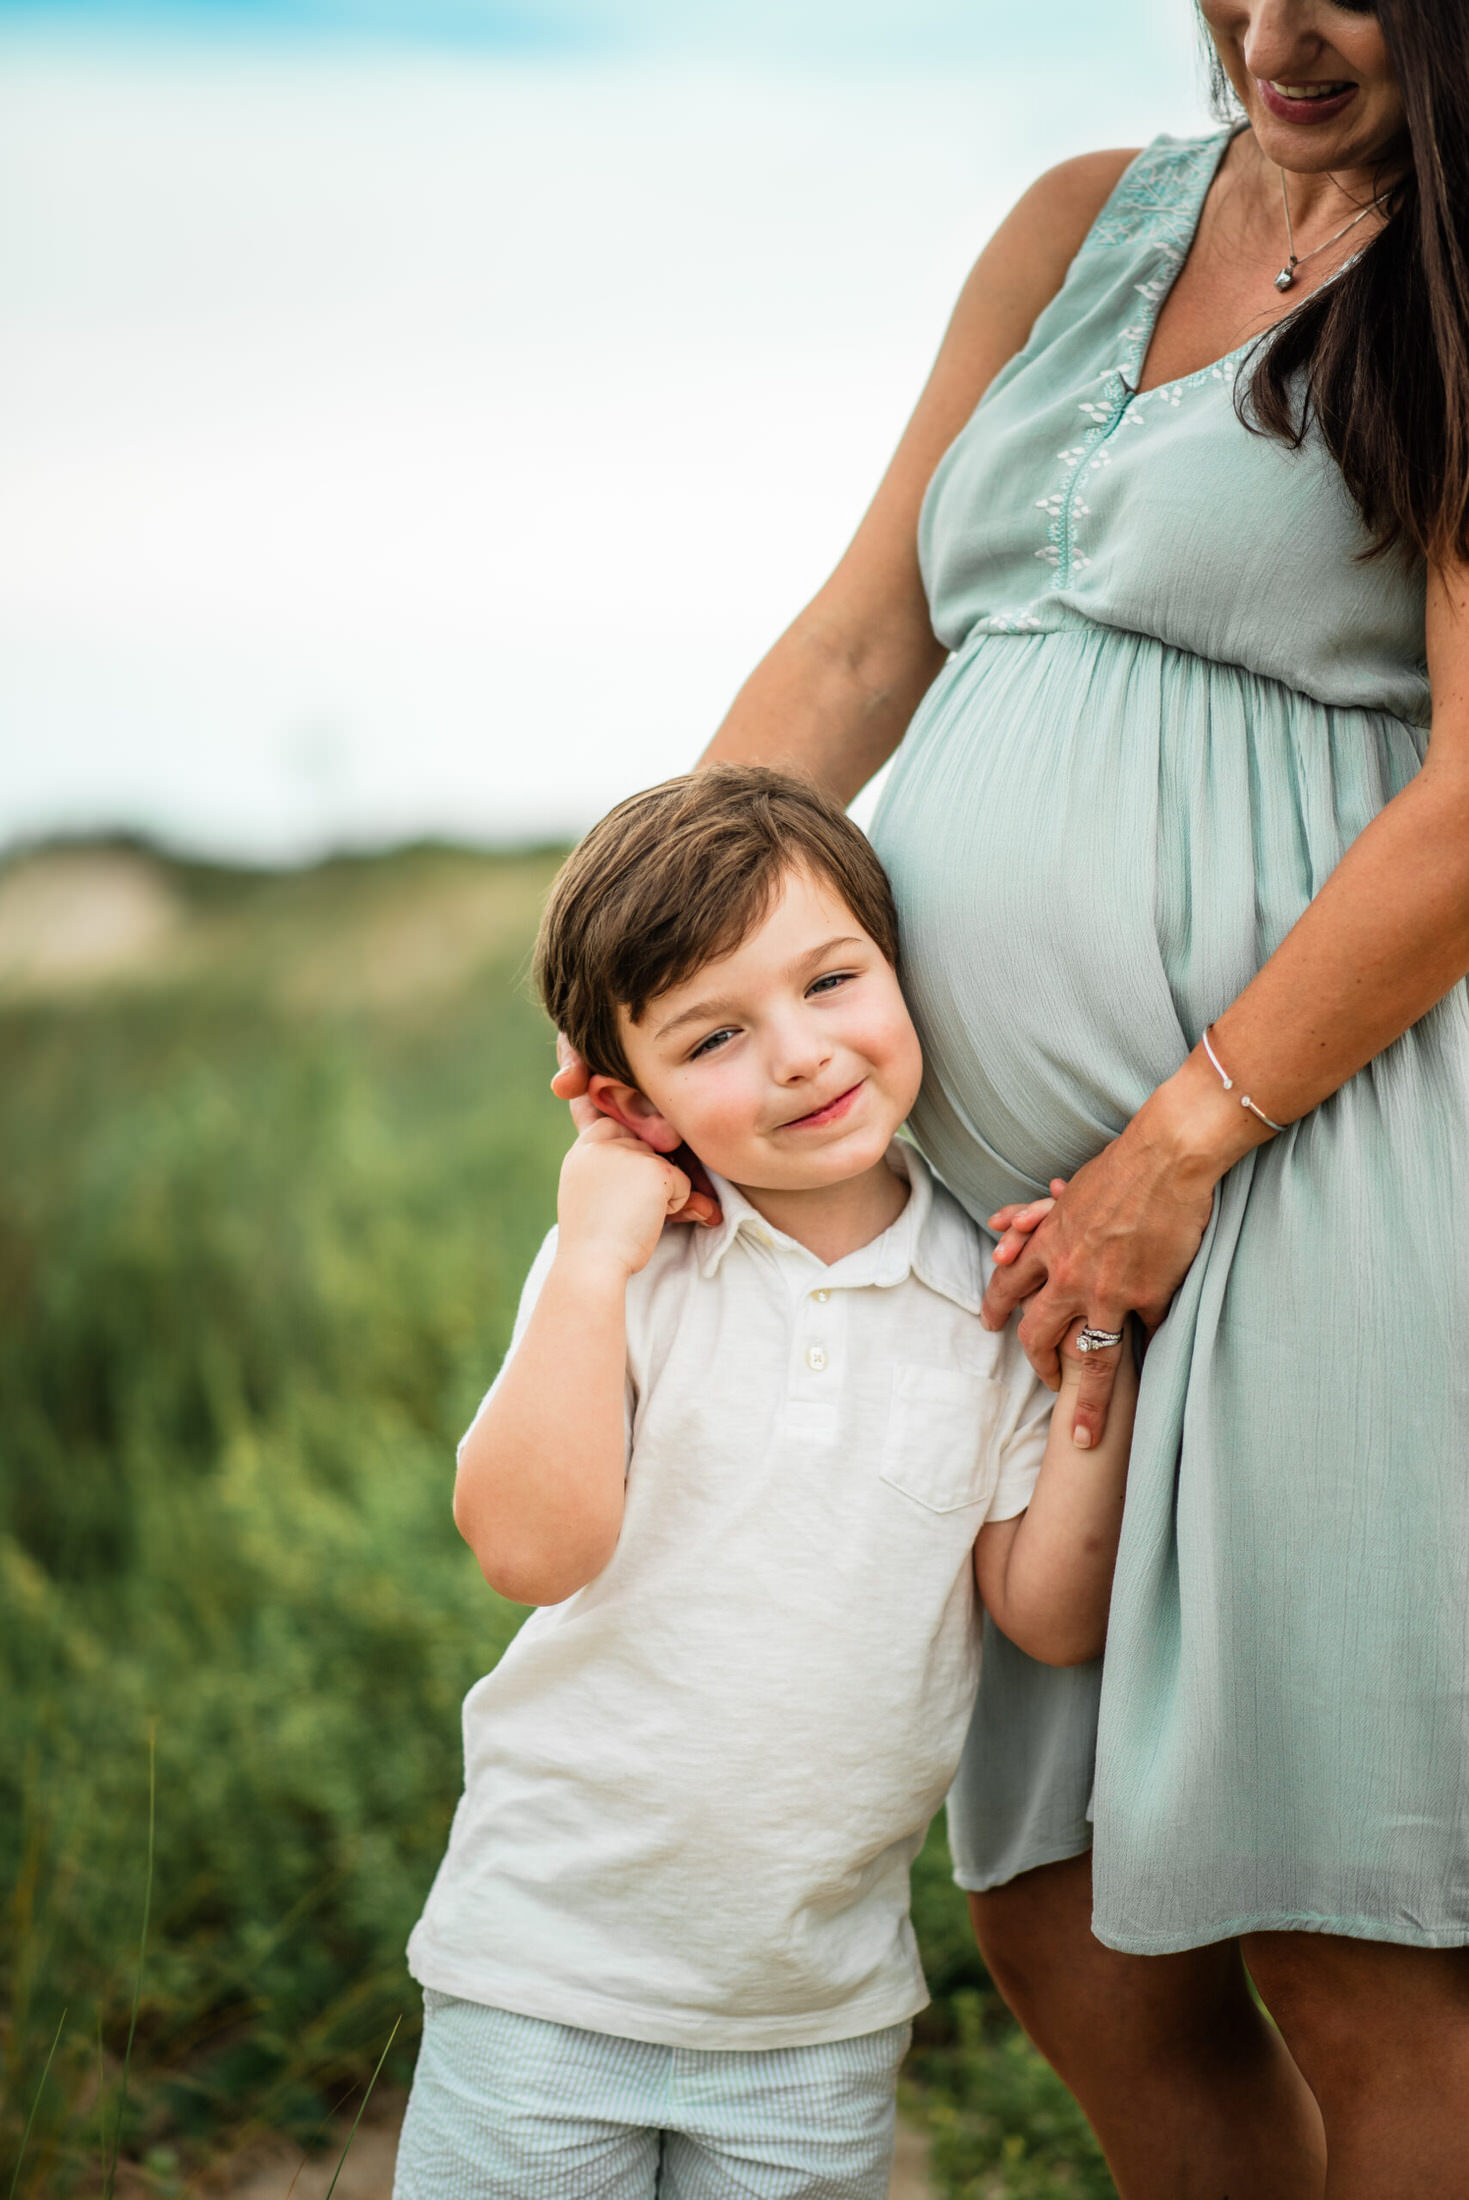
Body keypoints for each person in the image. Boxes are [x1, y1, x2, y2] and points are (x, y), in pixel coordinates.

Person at [554, 4, 1469, 2192]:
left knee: (1356, 1944)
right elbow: (868, 639)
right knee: (1064, 1920)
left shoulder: (1456, 274)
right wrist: (635, 996)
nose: (1277, 25)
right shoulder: (1086, 218)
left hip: (1323, 1163)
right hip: (1032, 1226)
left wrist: (1180, 1140)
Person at [395, 766, 1138, 2200]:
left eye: (831, 980)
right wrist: (597, 1253)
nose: (799, 1055)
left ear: (897, 966)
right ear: (628, 1099)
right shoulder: (627, 1271)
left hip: (813, 2014)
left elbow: (1048, 1615)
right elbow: (527, 1551)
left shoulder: (983, 1293)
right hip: (546, 1972)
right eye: (714, 1035)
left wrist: (1091, 1359)